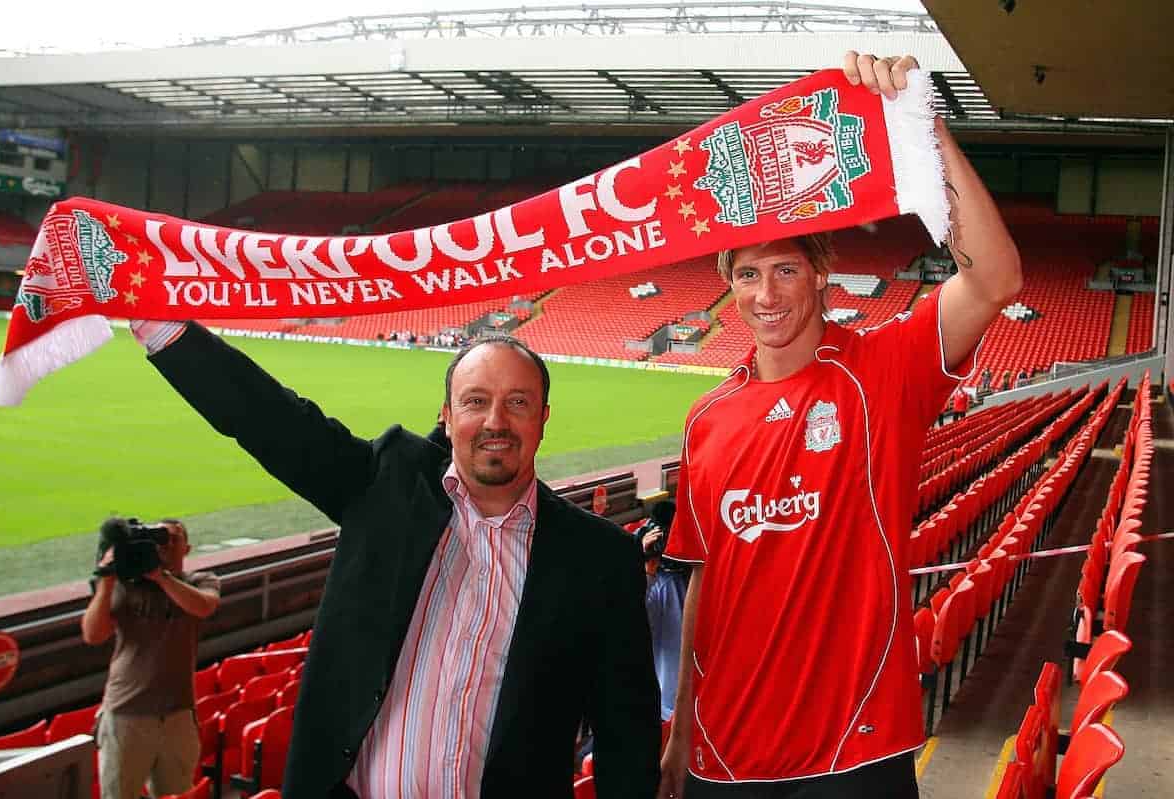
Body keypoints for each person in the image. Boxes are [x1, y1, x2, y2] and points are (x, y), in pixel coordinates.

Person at [658, 51, 1022, 799]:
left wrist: (918, 121)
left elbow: (996, 277)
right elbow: (704, 585)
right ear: (728, 287)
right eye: (747, 275)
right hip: (725, 752)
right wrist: (681, 729)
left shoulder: (881, 369)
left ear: (821, 273)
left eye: (785, 270)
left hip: (855, 749)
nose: (766, 294)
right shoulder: (705, 419)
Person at [127, 321, 660, 798]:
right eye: (476, 401)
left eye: (517, 403)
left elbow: (626, 734)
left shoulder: (600, 558)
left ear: (543, 418)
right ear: (447, 417)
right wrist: (159, 326)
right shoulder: (386, 487)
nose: (496, 420)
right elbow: (269, 419)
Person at [80, 518, 220, 799]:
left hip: (178, 713)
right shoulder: (125, 584)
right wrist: (106, 580)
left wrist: (160, 576)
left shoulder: (200, 581)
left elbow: (203, 606)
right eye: (160, 538)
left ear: (187, 548)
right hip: (126, 712)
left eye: (173, 538)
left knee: (178, 794)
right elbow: (94, 635)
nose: (166, 543)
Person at [635, 500, 689, 721]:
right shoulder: (657, 584)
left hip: (680, 703)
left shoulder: (701, 575)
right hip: (668, 708)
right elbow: (633, 621)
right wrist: (647, 567)